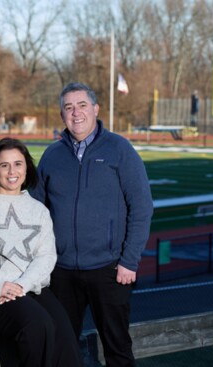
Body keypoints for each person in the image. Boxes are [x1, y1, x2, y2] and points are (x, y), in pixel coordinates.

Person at [30, 82, 153, 367]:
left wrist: (129, 261)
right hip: (61, 272)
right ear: (62, 114)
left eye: (82, 105)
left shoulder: (119, 149)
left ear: (95, 109)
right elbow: (36, 210)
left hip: (109, 270)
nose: (76, 113)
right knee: (61, 349)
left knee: (117, 349)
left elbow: (142, 207)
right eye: (69, 107)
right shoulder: (52, 155)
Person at [0, 137, 83, 367]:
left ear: (27, 167)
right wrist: (0, 286)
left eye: (18, 163)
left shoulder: (38, 209)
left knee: (67, 341)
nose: (12, 171)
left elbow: (46, 257)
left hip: (29, 288)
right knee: (37, 325)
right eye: (4, 165)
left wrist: (21, 286)